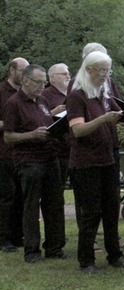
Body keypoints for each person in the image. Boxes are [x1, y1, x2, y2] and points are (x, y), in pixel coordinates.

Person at [67, 51, 124, 274]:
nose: (106, 75)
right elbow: (78, 130)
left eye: (108, 70)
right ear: (89, 69)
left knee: (110, 208)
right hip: (87, 163)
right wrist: (103, 119)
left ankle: (114, 253)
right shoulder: (77, 96)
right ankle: (86, 260)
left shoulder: (104, 95)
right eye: (102, 70)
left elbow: (123, 118)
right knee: (91, 212)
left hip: (108, 160)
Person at [3, 64, 66, 263]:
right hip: (29, 161)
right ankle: (32, 250)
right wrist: (32, 135)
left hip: (50, 157)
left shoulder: (43, 100)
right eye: (38, 82)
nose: (42, 86)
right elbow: (8, 137)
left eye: (44, 82)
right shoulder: (13, 103)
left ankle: (55, 247)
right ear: (26, 80)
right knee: (31, 205)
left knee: (55, 204)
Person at [0, 57, 28, 253]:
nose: (25, 75)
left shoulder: (26, 94)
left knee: (21, 195)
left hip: (23, 152)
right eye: (22, 70)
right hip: (3, 152)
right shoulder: (1, 92)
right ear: (12, 70)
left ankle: (18, 235)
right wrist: (12, 123)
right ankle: (4, 238)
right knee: (6, 195)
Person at [42, 63, 72, 205]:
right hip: (56, 151)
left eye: (68, 73)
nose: (68, 76)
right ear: (52, 78)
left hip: (73, 148)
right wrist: (54, 112)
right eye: (64, 74)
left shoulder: (73, 93)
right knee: (55, 192)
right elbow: (38, 118)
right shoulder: (45, 95)